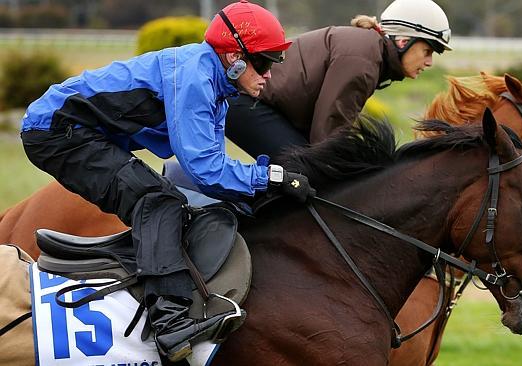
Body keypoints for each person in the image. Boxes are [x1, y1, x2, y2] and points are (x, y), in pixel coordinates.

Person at [20, 0, 312, 361]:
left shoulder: (217, 85)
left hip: (82, 132)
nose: (269, 74)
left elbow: (206, 172)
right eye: (264, 62)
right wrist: (271, 176)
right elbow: (205, 167)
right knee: (156, 200)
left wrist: (260, 193)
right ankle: (169, 320)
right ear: (234, 56)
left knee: (169, 198)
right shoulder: (196, 78)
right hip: (56, 131)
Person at [225, 0, 452, 161]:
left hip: (258, 105)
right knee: (307, 173)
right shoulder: (364, 59)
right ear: (404, 41)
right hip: (247, 103)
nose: (429, 62)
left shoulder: (370, 51)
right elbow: (328, 133)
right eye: (427, 51)